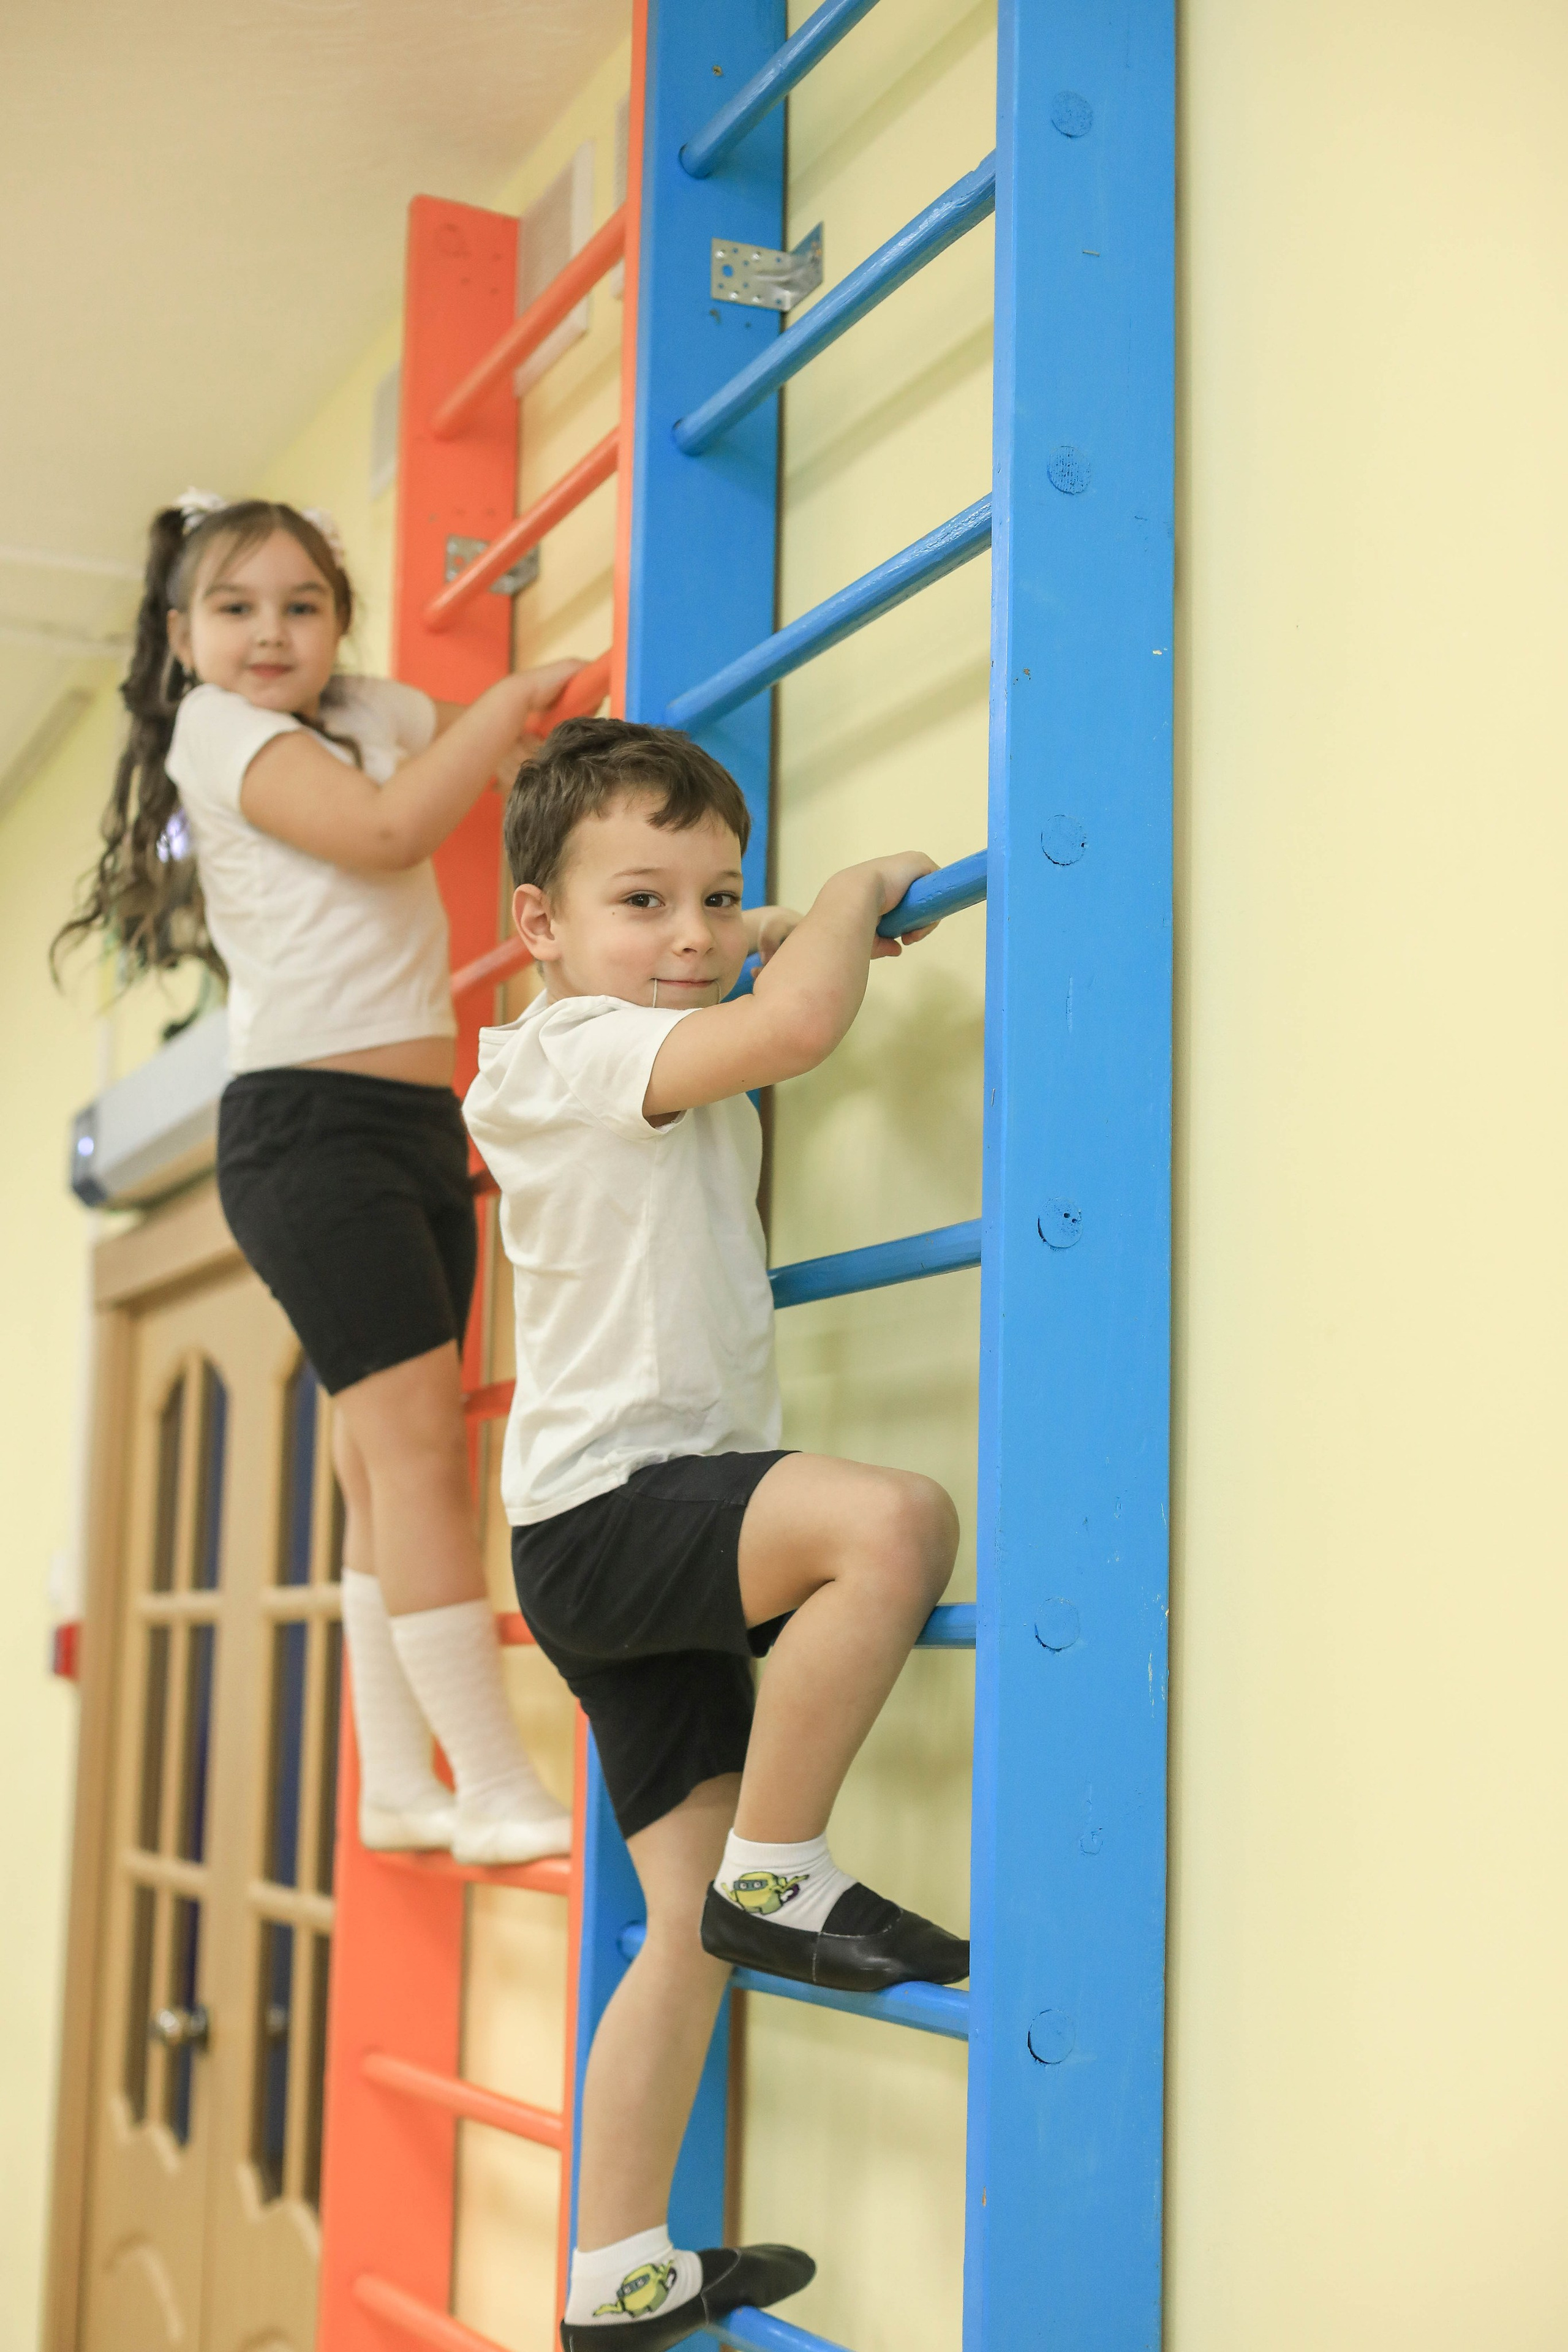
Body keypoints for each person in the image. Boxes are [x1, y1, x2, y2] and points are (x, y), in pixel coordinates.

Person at [464, 718, 968, 2351]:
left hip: (599, 1537)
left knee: (674, 1932)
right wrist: (848, 893)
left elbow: (741, 965)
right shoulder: (572, 1051)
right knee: (891, 1523)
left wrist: (758, 921)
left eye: (717, 897)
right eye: (642, 903)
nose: (689, 937)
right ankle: (789, 1866)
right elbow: (804, 1020)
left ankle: (614, 2273)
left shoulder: (621, 1003)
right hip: (620, 1510)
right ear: (538, 926)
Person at [54, 490, 581, 1865]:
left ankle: (400, 1782)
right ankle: (490, 1782)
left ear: (339, 616)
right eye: (234, 609)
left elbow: (458, 754)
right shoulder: (215, 731)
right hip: (307, 1125)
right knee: (416, 1455)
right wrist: (507, 702)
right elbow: (395, 830)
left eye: (301, 603)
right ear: (182, 636)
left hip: (408, 1124)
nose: (270, 632)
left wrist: (529, 743)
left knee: (378, 1458)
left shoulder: (371, 711)